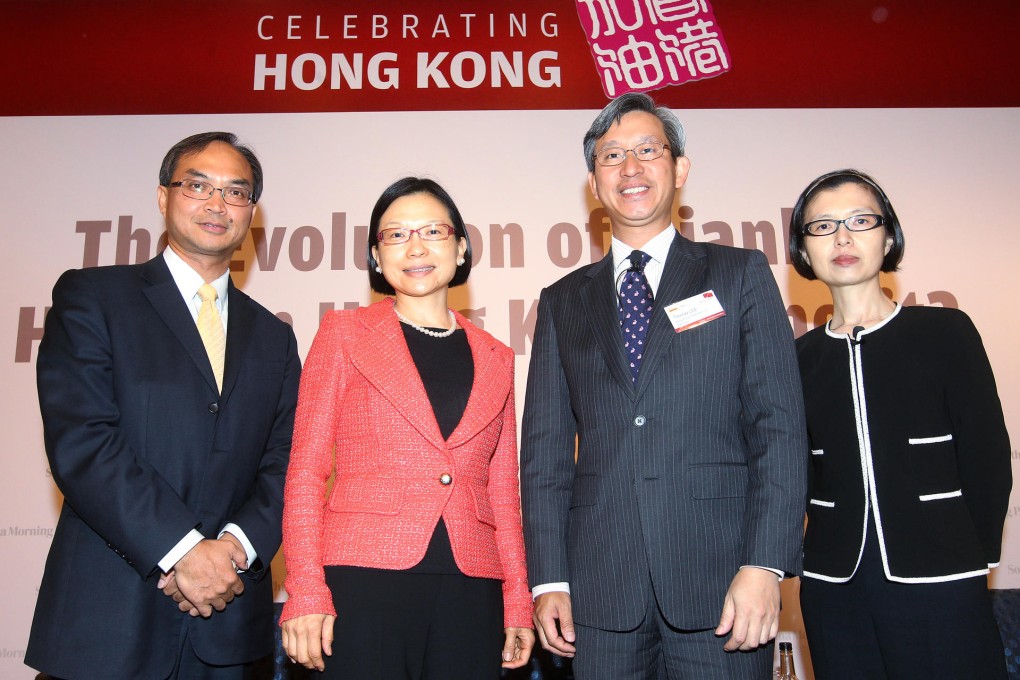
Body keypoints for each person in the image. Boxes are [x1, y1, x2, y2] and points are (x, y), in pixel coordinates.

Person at [520, 92, 808, 678]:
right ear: (594, 184)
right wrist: (550, 577)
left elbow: (778, 428)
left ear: (680, 169)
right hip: (600, 594)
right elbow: (546, 456)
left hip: (723, 584)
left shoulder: (739, 274)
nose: (630, 168)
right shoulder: (561, 302)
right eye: (612, 156)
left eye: (648, 150)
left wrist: (766, 565)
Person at [26, 131, 301, 679]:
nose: (216, 204)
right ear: (163, 196)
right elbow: (84, 442)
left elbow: (286, 463)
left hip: (228, 623)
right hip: (108, 618)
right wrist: (182, 550)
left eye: (236, 192)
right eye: (198, 185)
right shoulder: (93, 297)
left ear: (251, 213)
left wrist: (234, 551)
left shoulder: (274, 336)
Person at [279, 177, 535, 678]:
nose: (415, 246)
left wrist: (517, 599)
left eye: (432, 231)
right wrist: (306, 586)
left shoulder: (497, 356)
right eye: (395, 235)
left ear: (461, 247)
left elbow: (503, 493)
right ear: (376, 256)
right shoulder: (343, 335)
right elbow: (305, 473)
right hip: (362, 579)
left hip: (473, 584)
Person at [788, 168, 1011, 679]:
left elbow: (987, 459)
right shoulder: (798, 359)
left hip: (942, 577)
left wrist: (971, 559)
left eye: (860, 221)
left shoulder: (945, 333)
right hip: (833, 585)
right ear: (804, 249)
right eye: (822, 226)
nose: (842, 237)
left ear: (888, 236)